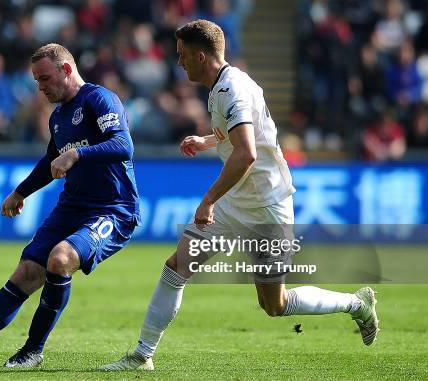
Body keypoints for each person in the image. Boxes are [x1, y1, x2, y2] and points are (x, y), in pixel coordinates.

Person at [100, 20, 379, 371]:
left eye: (183, 56)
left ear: (201, 56)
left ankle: (356, 304)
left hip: (266, 207)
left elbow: (246, 154)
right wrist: (207, 140)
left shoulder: (232, 88)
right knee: (176, 268)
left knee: (274, 305)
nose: (179, 63)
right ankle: (143, 355)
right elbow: (243, 135)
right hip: (235, 204)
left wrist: (208, 200)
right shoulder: (224, 84)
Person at [0, 43, 140, 368]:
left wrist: (77, 154)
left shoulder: (99, 99)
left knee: (60, 259)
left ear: (66, 70)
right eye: (36, 80)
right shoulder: (58, 117)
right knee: (26, 272)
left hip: (113, 209)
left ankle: (32, 350)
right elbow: (49, 161)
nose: (40, 87)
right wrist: (21, 192)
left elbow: (123, 144)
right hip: (73, 206)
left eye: (44, 78)